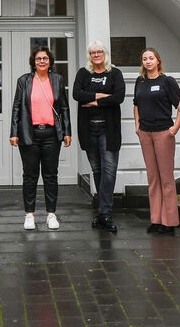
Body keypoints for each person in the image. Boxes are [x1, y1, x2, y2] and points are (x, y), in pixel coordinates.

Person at [9, 44, 71, 231]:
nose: (42, 61)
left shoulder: (57, 79)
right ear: (33, 62)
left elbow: (64, 108)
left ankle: (51, 214)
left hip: (51, 134)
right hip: (29, 133)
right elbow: (17, 107)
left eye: (45, 58)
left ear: (50, 61)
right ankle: (29, 215)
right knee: (30, 176)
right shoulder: (24, 81)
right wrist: (13, 132)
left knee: (51, 175)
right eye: (38, 59)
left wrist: (67, 131)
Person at [73, 40, 124, 232]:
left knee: (109, 172)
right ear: (89, 55)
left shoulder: (114, 73)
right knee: (97, 171)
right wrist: (103, 96)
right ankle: (103, 213)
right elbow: (77, 94)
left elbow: (118, 97)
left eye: (99, 52)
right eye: (93, 52)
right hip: (89, 130)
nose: (96, 55)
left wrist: (93, 101)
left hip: (108, 131)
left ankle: (105, 213)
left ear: (105, 54)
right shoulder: (83, 73)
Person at [133, 48, 180, 235]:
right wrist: (137, 127)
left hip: (163, 133)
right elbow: (136, 104)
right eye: (144, 59)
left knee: (166, 178)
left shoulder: (166, 81)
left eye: (151, 58)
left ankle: (169, 221)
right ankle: (156, 219)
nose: (148, 61)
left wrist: (175, 128)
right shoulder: (140, 81)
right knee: (152, 178)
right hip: (145, 133)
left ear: (158, 61)